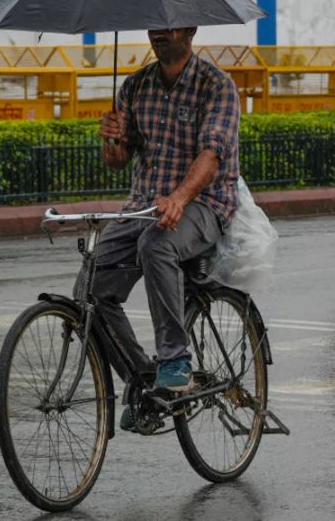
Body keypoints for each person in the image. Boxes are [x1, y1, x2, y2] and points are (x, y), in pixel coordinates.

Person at [93, 26, 241, 429]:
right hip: (143, 204)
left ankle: (175, 359)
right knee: (92, 287)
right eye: (153, 27)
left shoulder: (216, 86)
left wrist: (179, 198)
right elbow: (118, 160)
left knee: (157, 244)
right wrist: (113, 139)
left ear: (189, 30)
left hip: (203, 204)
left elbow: (212, 156)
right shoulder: (136, 86)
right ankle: (142, 378)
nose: (158, 34)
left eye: (168, 26)